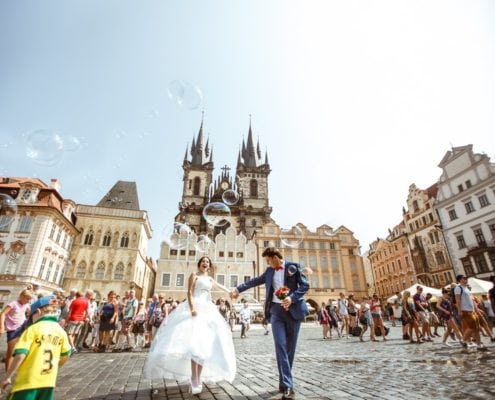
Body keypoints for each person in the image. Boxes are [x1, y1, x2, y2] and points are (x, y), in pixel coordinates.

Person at [144, 256, 235, 395]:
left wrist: (231, 292)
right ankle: (194, 378)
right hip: (195, 308)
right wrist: (192, 308)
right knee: (194, 344)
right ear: (199, 264)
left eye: (207, 262)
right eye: (203, 261)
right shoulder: (194, 275)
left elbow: (220, 286)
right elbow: (189, 292)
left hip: (208, 310)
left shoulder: (210, 279)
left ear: (209, 266)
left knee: (205, 344)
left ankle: (198, 377)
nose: (205, 263)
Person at [231, 247, 309, 400]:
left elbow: (305, 286)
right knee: (280, 346)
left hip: (293, 311)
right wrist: (238, 289)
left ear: (274, 257)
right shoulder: (269, 272)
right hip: (276, 312)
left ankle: (283, 381)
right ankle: (288, 385)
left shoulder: (293, 267)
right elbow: (253, 281)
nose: (267, 263)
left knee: (290, 350)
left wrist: (291, 298)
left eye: (268, 260)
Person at [0, 296, 72, 400]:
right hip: (48, 382)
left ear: (38, 312)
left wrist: (8, 377)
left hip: (28, 381)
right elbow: (66, 354)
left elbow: (21, 354)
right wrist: (56, 365)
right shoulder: (60, 331)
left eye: (31, 317)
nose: (31, 320)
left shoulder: (33, 329)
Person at [0, 288, 33, 372]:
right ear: (21, 296)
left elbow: (30, 313)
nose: (28, 301)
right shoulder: (13, 304)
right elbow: (3, 314)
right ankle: (7, 373)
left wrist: (29, 318)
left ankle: (15, 370)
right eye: (27, 298)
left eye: (29, 299)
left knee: (19, 351)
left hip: (22, 328)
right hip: (12, 330)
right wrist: (2, 327)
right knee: (10, 353)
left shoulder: (26, 305)